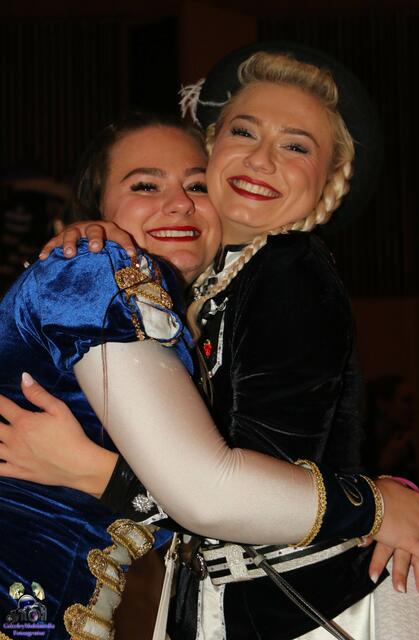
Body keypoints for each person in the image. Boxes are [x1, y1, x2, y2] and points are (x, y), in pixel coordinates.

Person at [1, 45, 419, 640]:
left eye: (297, 146)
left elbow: (233, 487)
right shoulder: (178, 290)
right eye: (244, 132)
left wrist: (97, 472)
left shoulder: (290, 269)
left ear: (330, 183)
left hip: (321, 608)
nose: (262, 158)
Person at [0, 112, 222, 640]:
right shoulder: (93, 271)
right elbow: (208, 497)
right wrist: (371, 509)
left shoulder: (193, 324)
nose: (180, 202)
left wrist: (95, 471)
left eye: (198, 185)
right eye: (146, 185)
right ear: (97, 212)